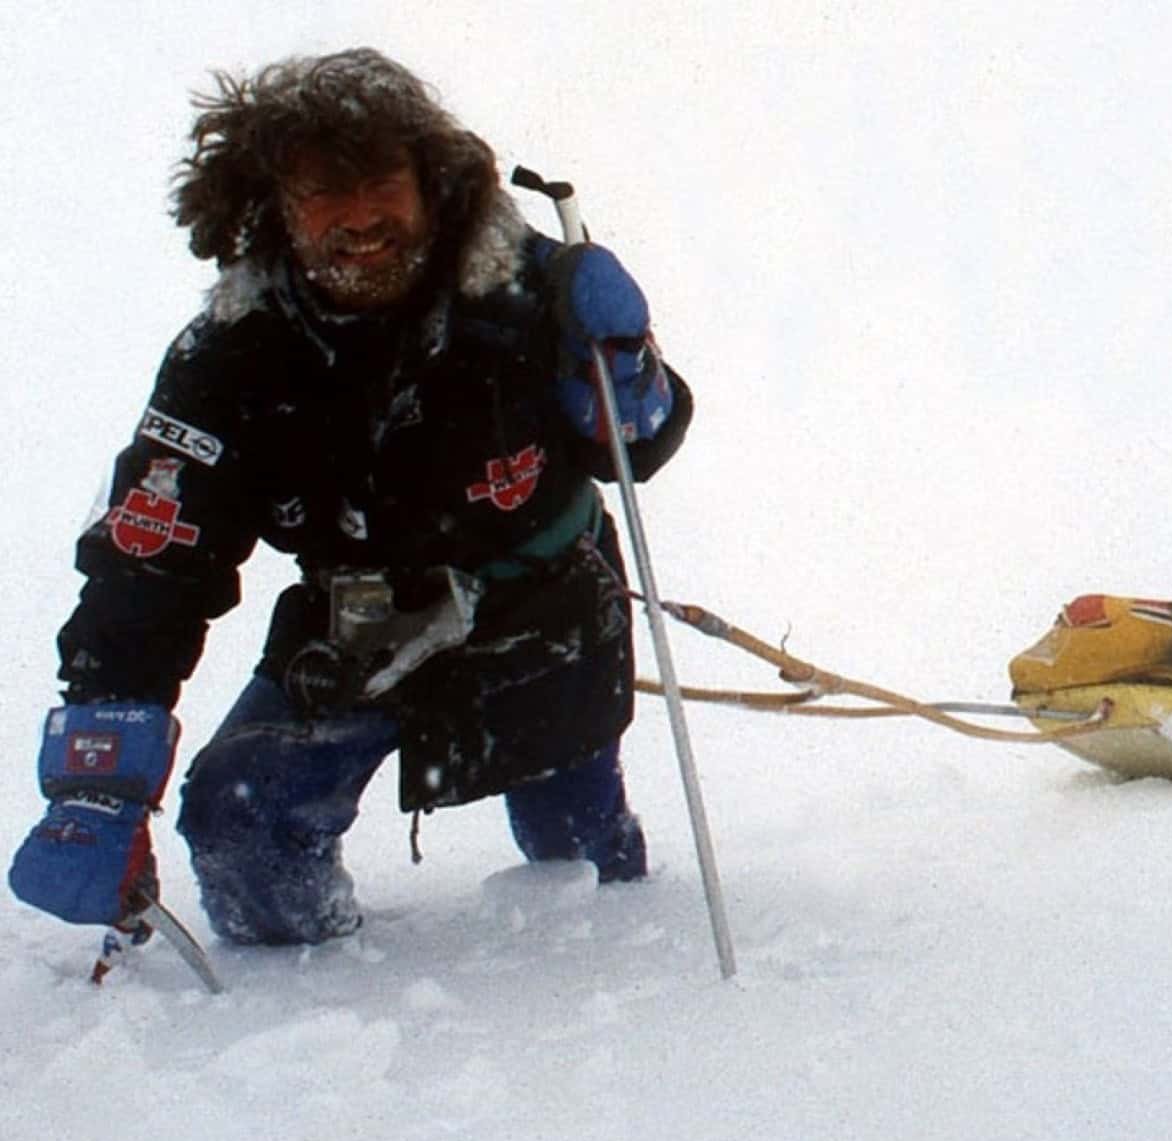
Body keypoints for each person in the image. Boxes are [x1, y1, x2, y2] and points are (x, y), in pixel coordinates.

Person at [8, 48, 692, 947]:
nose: (361, 218)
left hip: (542, 612)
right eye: (324, 192)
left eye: (381, 182)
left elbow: (635, 449)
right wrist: (99, 777)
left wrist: (630, 366)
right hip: (356, 627)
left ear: (432, 183)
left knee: (581, 859)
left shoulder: (528, 292)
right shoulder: (229, 354)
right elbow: (152, 564)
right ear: (273, 207)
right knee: (237, 829)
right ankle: (310, 1025)